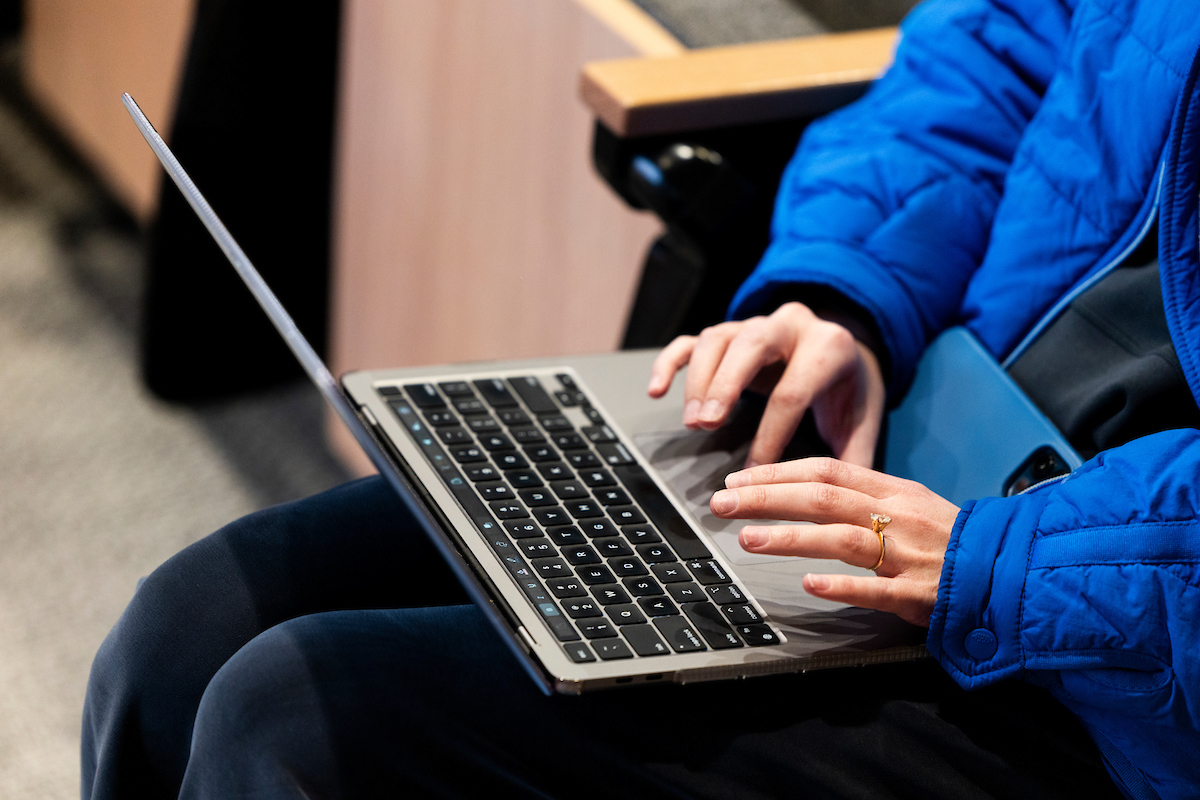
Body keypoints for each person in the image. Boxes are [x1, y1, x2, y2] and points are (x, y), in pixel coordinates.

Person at [83, 0, 1200, 797]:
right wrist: (849, 286)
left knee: (295, 721)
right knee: (193, 624)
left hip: (1117, 660)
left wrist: (1006, 565)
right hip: (928, 435)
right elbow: (998, 51)